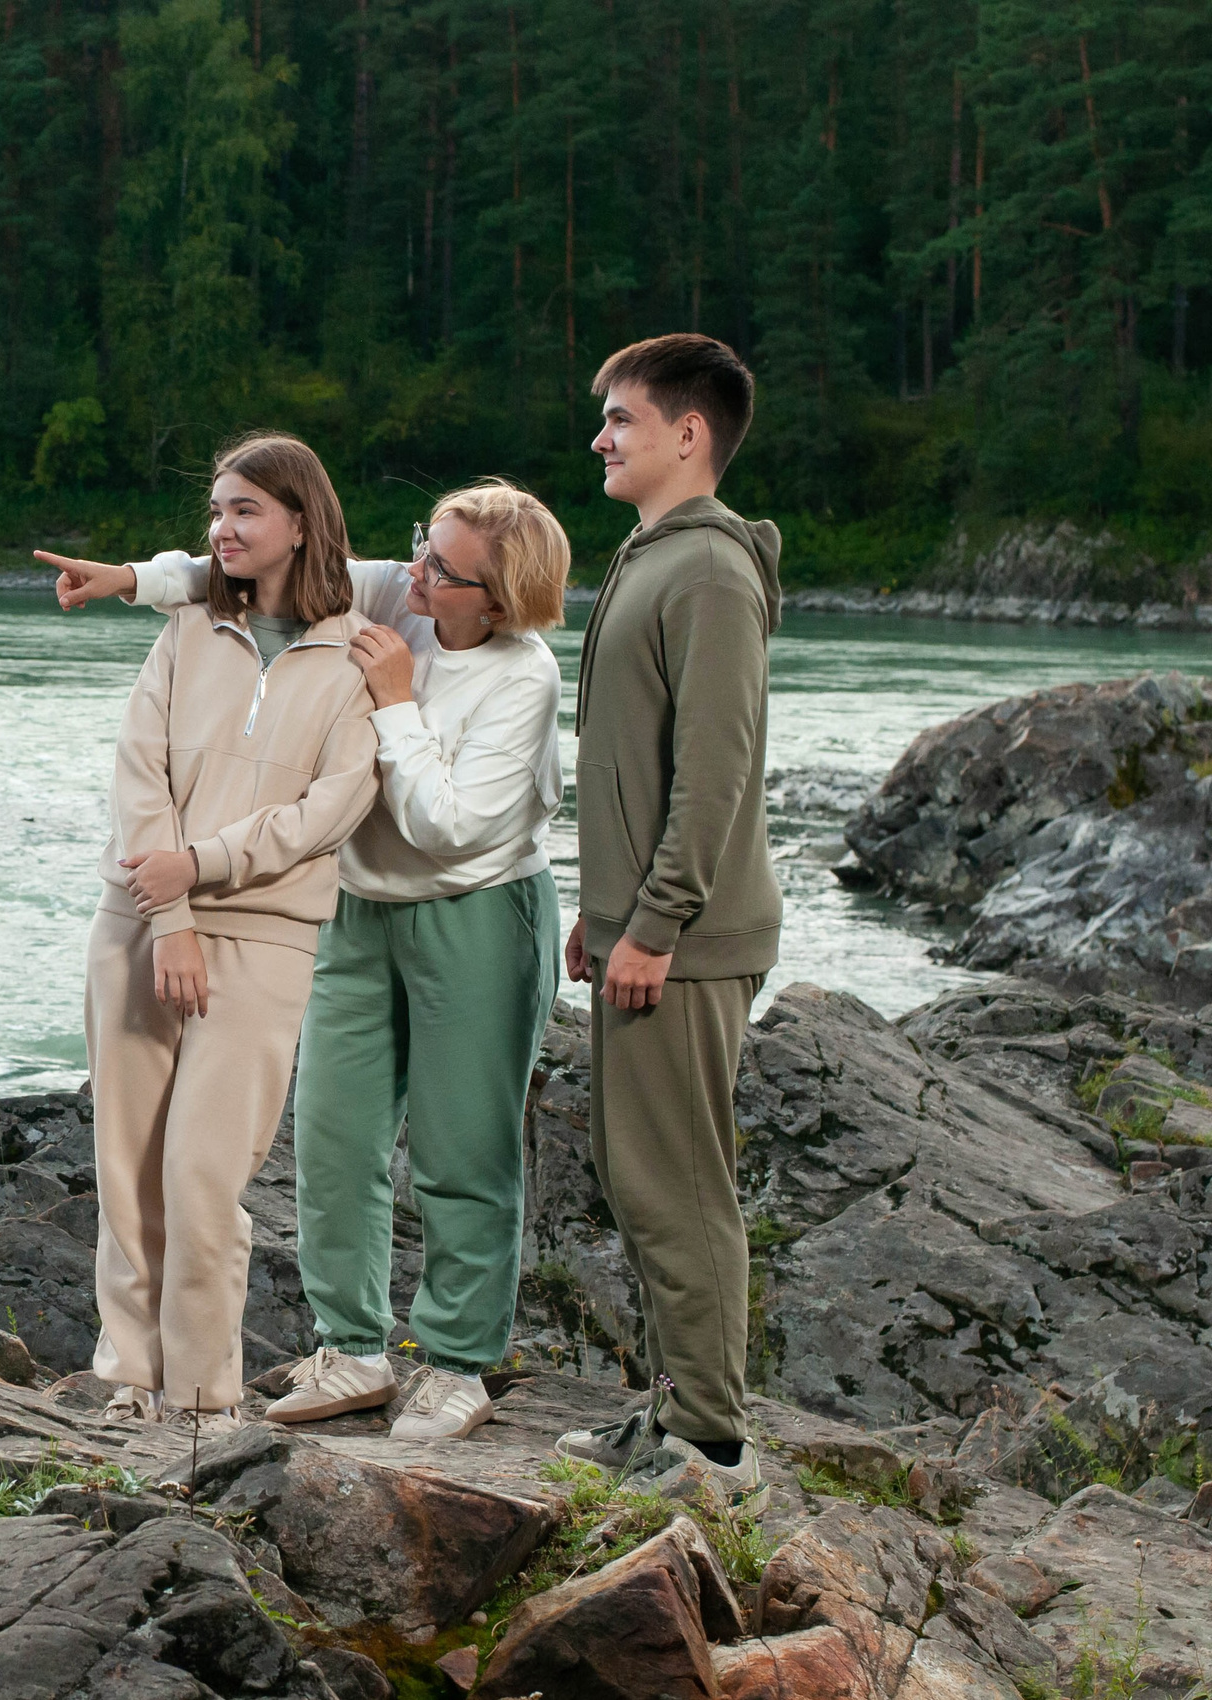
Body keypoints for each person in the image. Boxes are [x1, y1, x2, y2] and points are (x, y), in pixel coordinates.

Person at [47, 480, 569, 1443]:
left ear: (492, 601)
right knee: (334, 1138)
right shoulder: (392, 596)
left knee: (462, 1149)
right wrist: (131, 577)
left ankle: (457, 1362)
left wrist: (398, 705)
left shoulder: (523, 676)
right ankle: (352, 1348)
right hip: (357, 909)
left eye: (440, 568)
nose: (410, 571)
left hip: (476, 910)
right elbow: (251, 564)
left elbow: (450, 828)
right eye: (421, 545)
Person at [78, 433, 383, 1435]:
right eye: (215, 511)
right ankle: (129, 1371)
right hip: (138, 922)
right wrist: (168, 914)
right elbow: (139, 774)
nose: (222, 528)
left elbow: (331, 807)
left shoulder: (354, 653)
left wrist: (200, 872)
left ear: (300, 519)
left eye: (244, 509)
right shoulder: (186, 629)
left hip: (264, 936)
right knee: (126, 1159)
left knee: (204, 1168)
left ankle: (203, 1390)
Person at [551, 333, 782, 1515]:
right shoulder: (658, 555)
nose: (600, 436)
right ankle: (677, 1407)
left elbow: (714, 769)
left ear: (687, 433)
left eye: (620, 419)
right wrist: (607, 914)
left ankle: (715, 1448)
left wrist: (655, 921)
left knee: (680, 1180)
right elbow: (632, 768)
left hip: (686, 943)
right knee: (641, 1175)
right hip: (647, 929)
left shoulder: (705, 573)